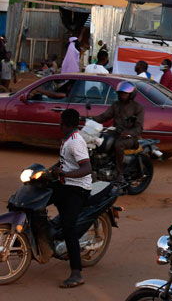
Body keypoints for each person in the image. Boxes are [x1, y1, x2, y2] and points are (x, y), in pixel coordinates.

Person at [50, 109, 92, 288]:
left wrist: (65, 173)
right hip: (65, 183)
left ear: (65, 124)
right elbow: (63, 162)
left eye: (60, 122)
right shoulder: (67, 139)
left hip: (78, 189)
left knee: (69, 228)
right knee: (39, 196)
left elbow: (87, 168)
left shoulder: (75, 143)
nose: (59, 125)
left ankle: (76, 273)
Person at [92, 81, 145, 177]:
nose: (122, 95)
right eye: (120, 93)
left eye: (125, 93)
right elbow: (104, 116)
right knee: (99, 140)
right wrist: (89, 119)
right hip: (117, 133)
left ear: (131, 94)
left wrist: (127, 133)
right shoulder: (116, 105)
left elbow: (139, 127)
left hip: (131, 137)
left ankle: (119, 173)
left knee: (118, 144)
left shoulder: (138, 107)